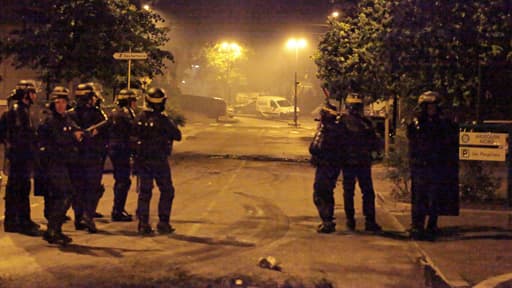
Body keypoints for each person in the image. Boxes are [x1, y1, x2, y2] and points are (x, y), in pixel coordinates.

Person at [407, 91, 456, 240]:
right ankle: (417, 225)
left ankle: (432, 225)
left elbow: (448, 142)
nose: (431, 108)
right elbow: (413, 141)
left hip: (436, 165)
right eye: (428, 105)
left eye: (433, 105)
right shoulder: (416, 123)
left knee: (434, 196)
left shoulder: (442, 123)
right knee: (418, 196)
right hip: (420, 165)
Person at [38, 86, 83, 245]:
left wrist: (78, 132)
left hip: (62, 163)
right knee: (65, 194)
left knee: (61, 195)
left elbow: (73, 127)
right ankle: (52, 229)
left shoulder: (64, 118)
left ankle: (54, 230)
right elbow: (60, 139)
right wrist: (73, 135)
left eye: (63, 102)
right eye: (57, 102)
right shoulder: (50, 120)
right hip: (52, 163)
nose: (60, 105)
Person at [134, 87, 181, 235]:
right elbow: (177, 135)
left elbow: (133, 137)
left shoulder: (139, 118)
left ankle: (143, 224)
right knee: (167, 190)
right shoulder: (163, 120)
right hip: (159, 160)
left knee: (145, 192)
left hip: (143, 160)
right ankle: (163, 222)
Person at [0, 80, 41, 236]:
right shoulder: (19, 111)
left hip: (17, 157)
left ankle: (16, 221)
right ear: (26, 95)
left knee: (15, 189)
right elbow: (23, 136)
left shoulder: (17, 110)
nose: (35, 95)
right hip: (20, 157)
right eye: (32, 92)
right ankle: (21, 222)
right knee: (20, 189)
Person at [68, 82, 108, 233]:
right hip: (91, 157)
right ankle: (87, 216)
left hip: (77, 158)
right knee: (92, 188)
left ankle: (79, 219)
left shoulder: (70, 114)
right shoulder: (97, 114)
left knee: (78, 188)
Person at [339, 93, 382, 232]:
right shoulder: (364, 123)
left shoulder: (343, 122)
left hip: (352, 162)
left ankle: (352, 221)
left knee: (352, 192)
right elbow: (375, 142)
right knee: (365, 192)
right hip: (360, 161)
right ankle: (367, 221)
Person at [311, 101, 345, 234]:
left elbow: (314, 147)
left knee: (320, 193)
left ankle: (327, 221)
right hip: (334, 166)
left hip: (325, 166)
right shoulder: (338, 129)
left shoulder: (326, 130)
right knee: (327, 192)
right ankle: (328, 220)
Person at [109, 88, 138, 222]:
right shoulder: (125, 114)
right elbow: (133, 130)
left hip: (115, 149)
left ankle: (118, 209)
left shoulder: (115, 112)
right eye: (133, 100)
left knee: (120, 180)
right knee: (123, 180)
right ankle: (117, 210)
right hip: (122, 149)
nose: (135, 103)